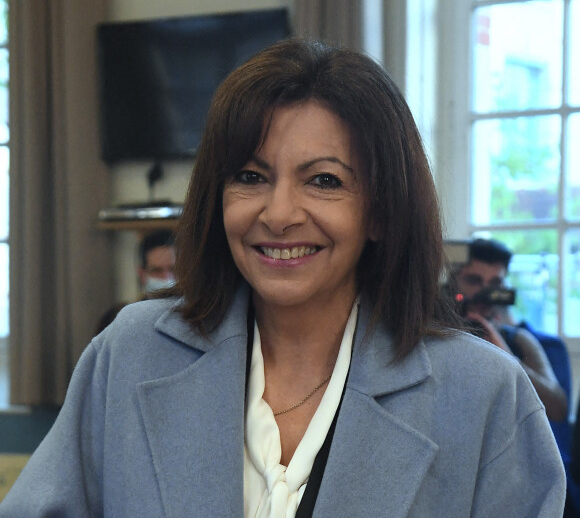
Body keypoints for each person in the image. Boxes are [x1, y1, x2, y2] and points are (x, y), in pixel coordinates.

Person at [0, 39, 565, 516]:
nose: (278, 213)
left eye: (323, 180)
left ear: (381, 210)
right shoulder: (129, 354)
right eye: (250, 175)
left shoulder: (483, 394)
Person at [452, 238, 568, 422]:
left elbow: (557, 408)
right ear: (453, 281)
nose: (485, 292)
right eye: (474, 281)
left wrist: (506, 354)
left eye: (495, 283)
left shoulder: (517, 339)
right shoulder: (436, 334)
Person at [137, 228, 176, 297]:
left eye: (173, 269)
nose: (166, 277)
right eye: (157, 270)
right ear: (142, 274)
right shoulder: (133, 308)